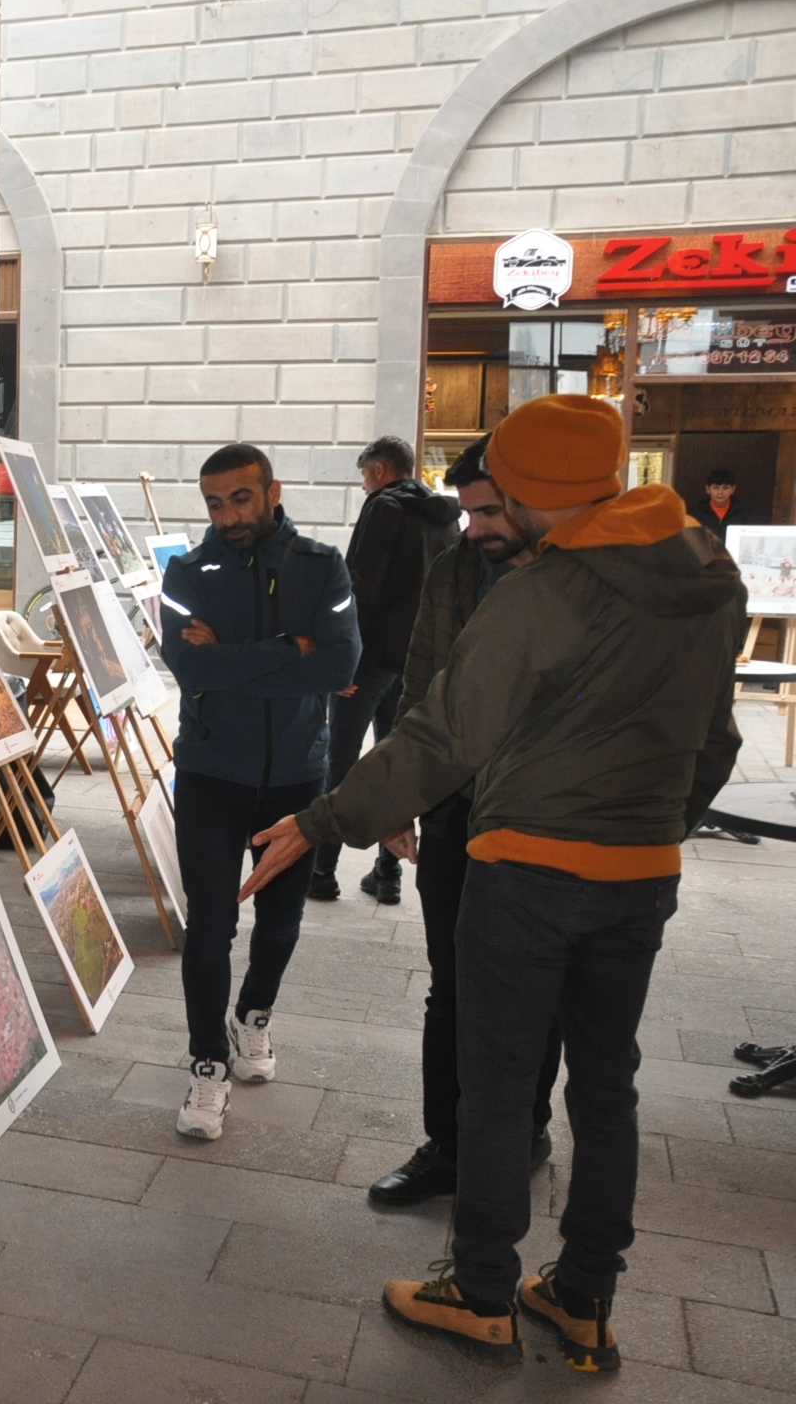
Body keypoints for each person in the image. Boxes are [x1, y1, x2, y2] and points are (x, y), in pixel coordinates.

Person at [241, 394, 745, 1372]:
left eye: (499, 496)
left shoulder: (541, 593)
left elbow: (441, 736)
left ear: (532, 494)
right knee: (606, 1087)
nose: (487, 515)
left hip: (525, 869)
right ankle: (583, 1295)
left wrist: (321, 819)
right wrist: (651, 831)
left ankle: (479, 1292)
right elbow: (714, 740)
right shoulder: (704, 574)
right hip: (639, 876)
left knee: (496, 1081)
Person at [364, 438, 561, 1209]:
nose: (476, 526)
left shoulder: (574, 578)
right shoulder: (454, 570)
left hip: (544, 821)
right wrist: (397, 798)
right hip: (456, 810)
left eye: (491, 510)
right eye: (471, 510)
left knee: (535, 992)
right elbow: (421, 685)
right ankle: (446, 1145)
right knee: (450, 987)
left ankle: (525, 1131)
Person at [157, 443, 359, 1140]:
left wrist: (233, 660)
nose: (228, 515)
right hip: (212, 775)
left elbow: (339, 666)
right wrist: (289, 650)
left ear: (272, 491)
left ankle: (253, 1018)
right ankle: (207, 1063)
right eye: (215, 503)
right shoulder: (186, 572)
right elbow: (188, 668)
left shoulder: (321, 567)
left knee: (282, 922)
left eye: (241, 498)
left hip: (298, 777)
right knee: (209, 927)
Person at [311, 436, 459, 906]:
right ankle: (388, 873)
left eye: (363, 476)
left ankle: (323, 871)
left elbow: (360, 589)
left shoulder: (384, 509)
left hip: (371, 662)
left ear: (377, 470)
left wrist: (345, 661)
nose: (362, 487)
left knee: (341, 759)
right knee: (397, 762)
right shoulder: (445, 519)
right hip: (416, 664)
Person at [691, 467, 755, 543]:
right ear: (708, 489)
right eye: (715, 488)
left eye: (725, 488)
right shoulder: (696, 513)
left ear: (732, 489)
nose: (720, 492)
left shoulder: (745, 513)